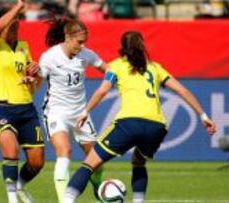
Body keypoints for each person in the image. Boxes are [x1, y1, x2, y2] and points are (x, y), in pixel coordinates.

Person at [63, 31, 216, 203]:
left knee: (89, 163)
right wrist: (203, 116)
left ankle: (67, 200)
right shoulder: (155, 67)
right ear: (143, 46)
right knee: (138, 162)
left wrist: (85, 111)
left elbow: (103, 90)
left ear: (122, 48)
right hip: (156, 127)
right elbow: (182, 90)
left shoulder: (117, 66)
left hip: (129, 123)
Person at [37, 17, 109, 203]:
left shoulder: (86, 54)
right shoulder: (49, 57)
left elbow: (108, 70)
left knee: (96, 159)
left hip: (80, 114)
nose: (82, 45)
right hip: (56, 112)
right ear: (67, 37)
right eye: (79, 42)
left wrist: (119, 77)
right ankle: (65, 200)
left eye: (84, 41)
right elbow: (37, 82)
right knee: (65, 151)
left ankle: (97, 186)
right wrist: (30, 80)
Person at [0, 1, 44, 203]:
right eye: (13, 23)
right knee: (11, 150)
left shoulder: (23, 47)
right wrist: (18, 7)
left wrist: (35, 76)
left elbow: (34, 86)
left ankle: (18, 186)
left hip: (27, 109)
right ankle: (12, 199)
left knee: (37, 162)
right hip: (2, 108)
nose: (17, 26)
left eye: (18, 23)